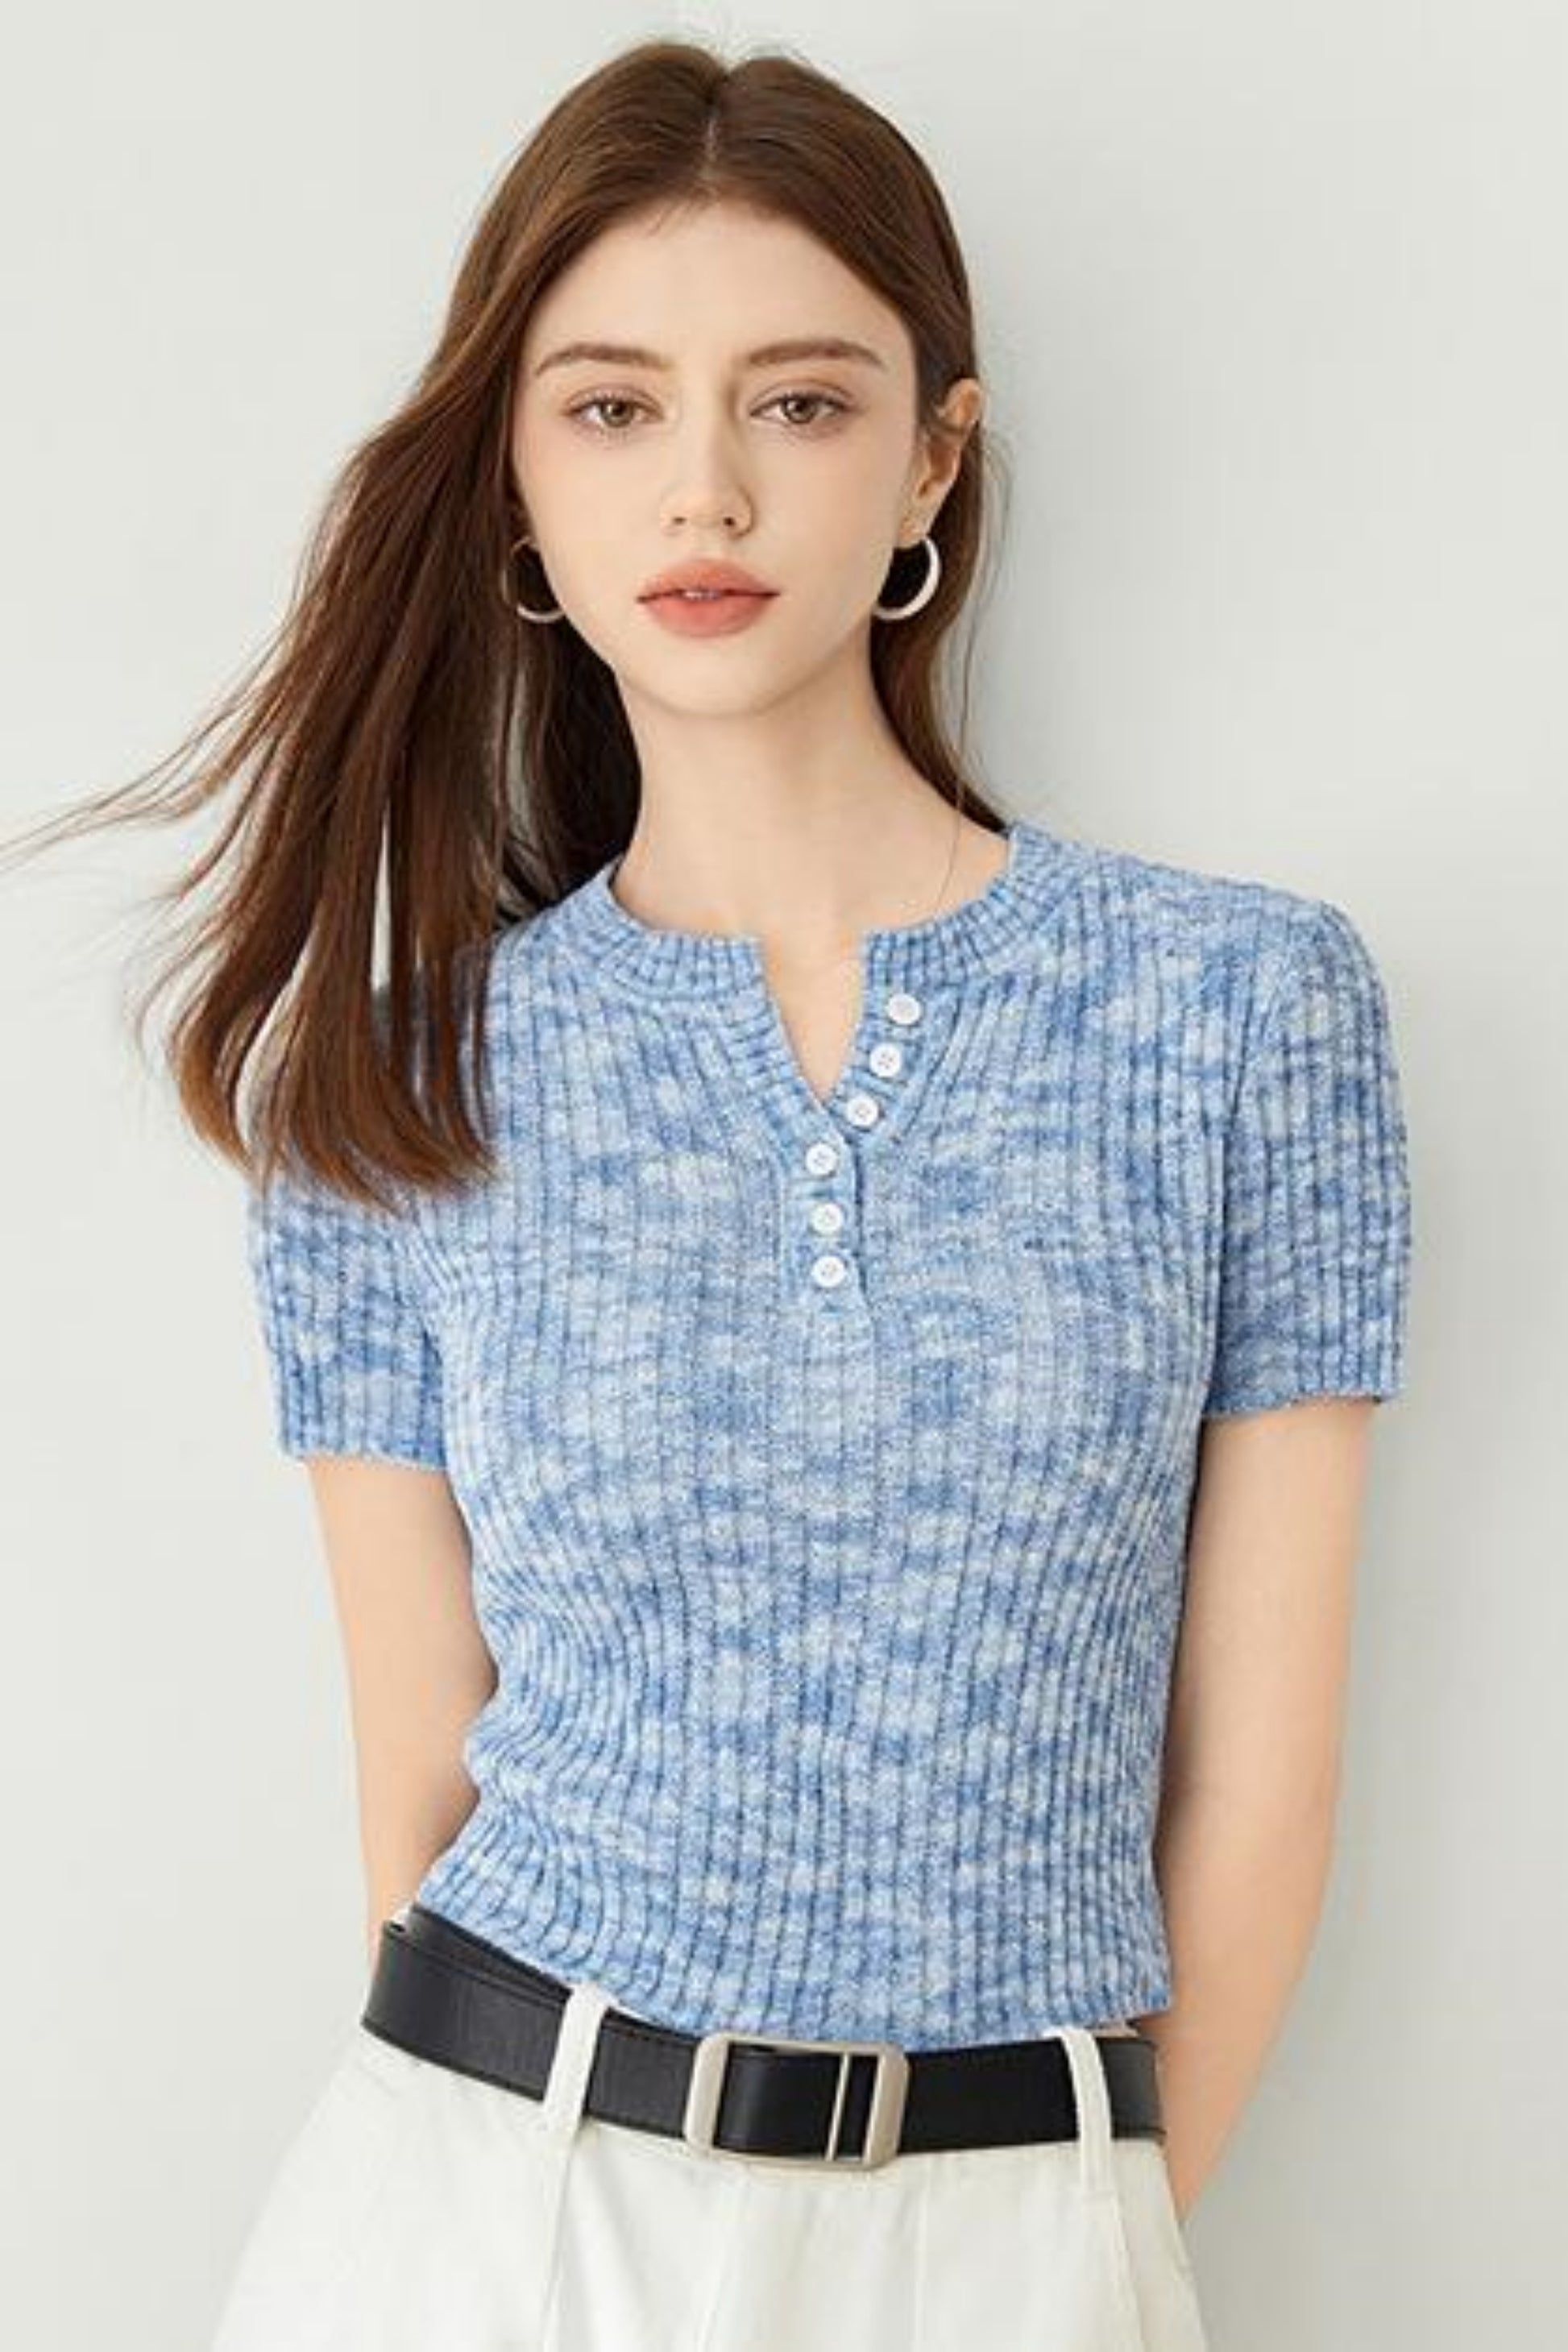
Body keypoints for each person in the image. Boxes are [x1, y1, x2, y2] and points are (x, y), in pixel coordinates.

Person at [6, 35, 1411, 2352]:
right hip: (488, 2221)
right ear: (516, 478)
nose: (706, 494)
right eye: (612, 407)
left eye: (799, 402)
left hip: (1012, 2234)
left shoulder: (1240, 1012)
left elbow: (1260, 1792)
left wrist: (1080, 2242)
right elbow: (417, 1794)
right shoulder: (399, 1075)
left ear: (932, 455)